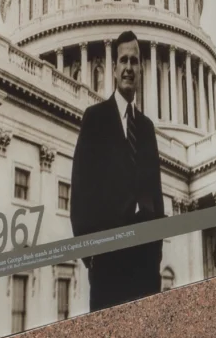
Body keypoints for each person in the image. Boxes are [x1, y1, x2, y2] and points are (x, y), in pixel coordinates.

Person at [70, 29, 166, 309]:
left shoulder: (146, 128)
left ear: (141, 69)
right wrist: (93, 258)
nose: (128, 68)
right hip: (108, 268)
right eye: (123, 61)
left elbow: (156, 194)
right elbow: (80, 192)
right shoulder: (95, 119)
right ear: (113, 69)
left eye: (134, 61)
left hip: (145, 268)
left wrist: (155, 254)